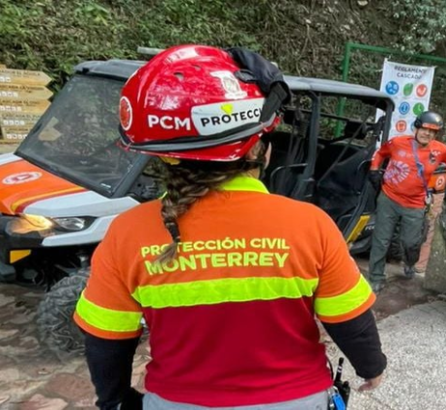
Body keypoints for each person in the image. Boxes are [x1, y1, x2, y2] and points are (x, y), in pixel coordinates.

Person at [73, 45, 386, 410]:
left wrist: (115, 401)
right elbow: (350, 319)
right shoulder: (311, 225)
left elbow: (105, 339)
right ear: (259, 150)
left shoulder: (127, 233)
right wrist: (372, 367)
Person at [367, 111, 446, 293]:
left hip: (415, 203)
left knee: (411, 242)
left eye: (433, 132)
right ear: (417, 128)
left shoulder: (440, 150)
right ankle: (376, 277)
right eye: (425, 129)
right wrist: (374, 170)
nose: (427, 134)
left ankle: (409, 262)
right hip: (389, 198)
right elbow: (380, 153)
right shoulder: (398, 142)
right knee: (381, 240)